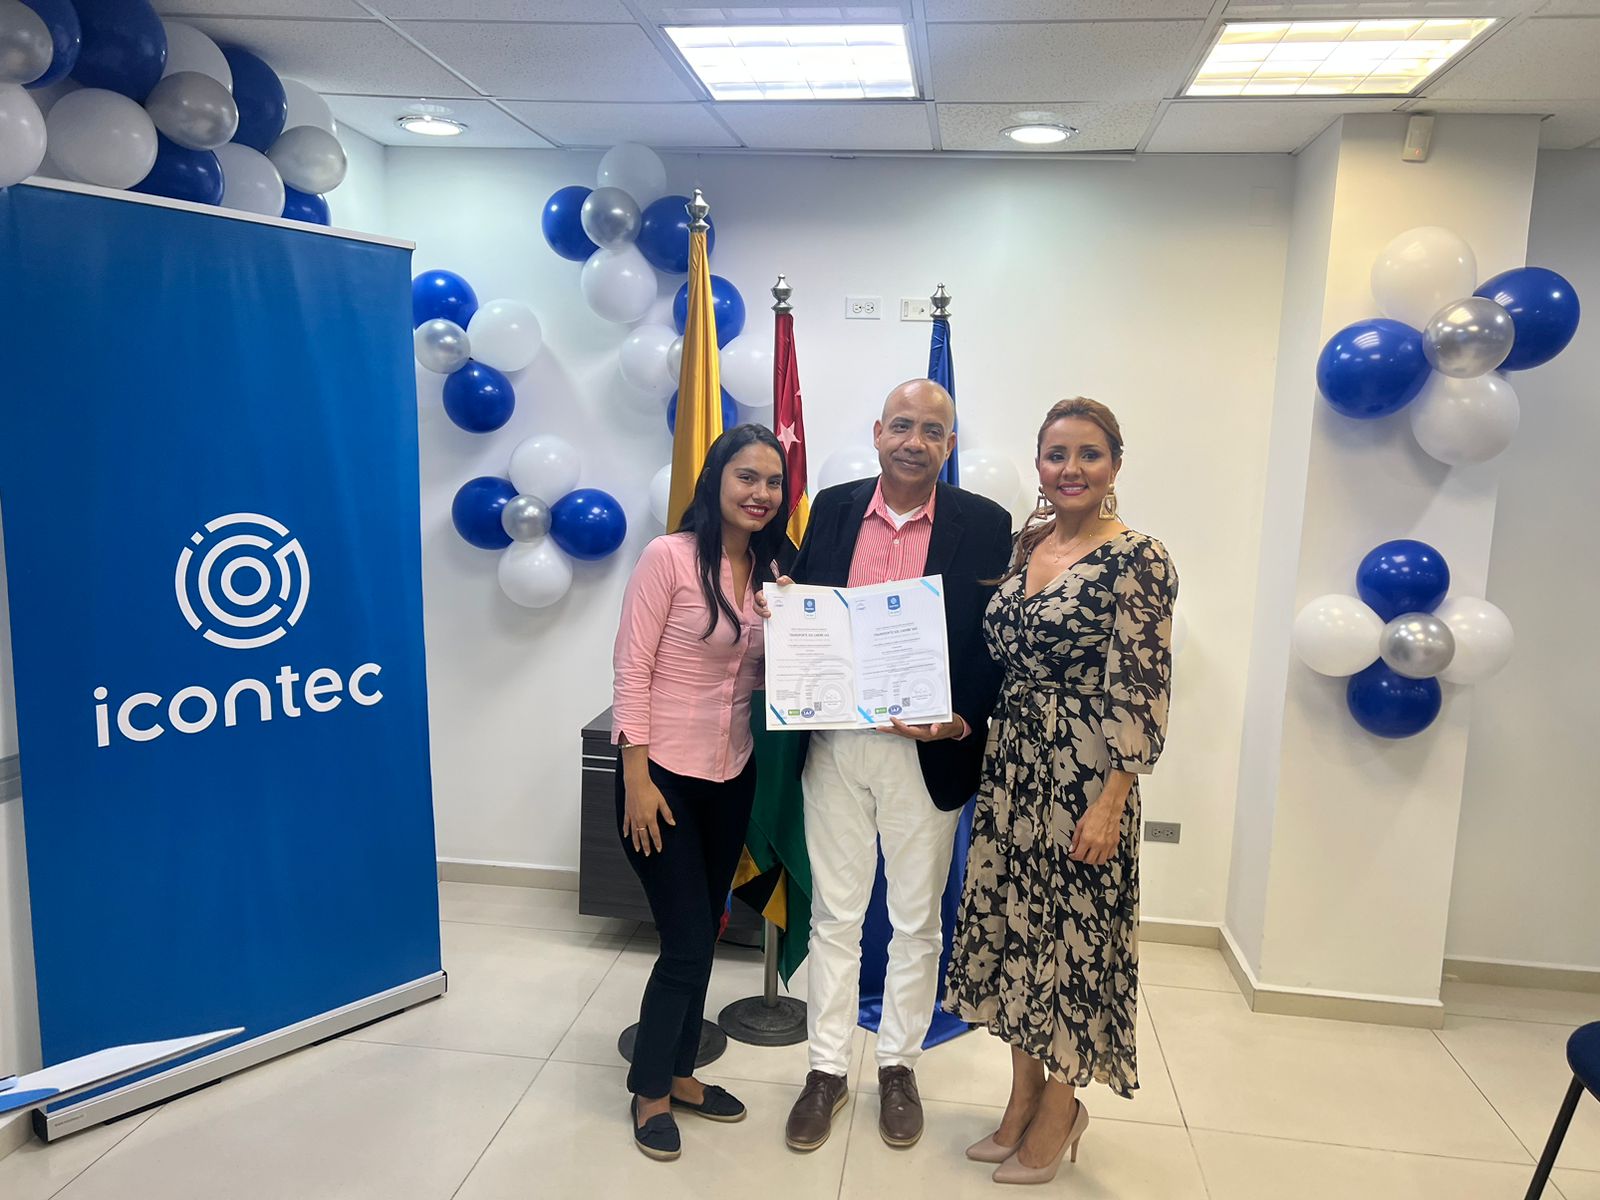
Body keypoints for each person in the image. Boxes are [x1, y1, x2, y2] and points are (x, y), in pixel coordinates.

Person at [761, 378, 1013, 1153]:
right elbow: (809, 604)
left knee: (916, 920)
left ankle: (899, 1065)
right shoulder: (833, 508)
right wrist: (787, 606)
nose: (914, 441)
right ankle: (826, 1070)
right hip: (835, 745)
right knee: (835, 917)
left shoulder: (985, 523)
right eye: (901, 425)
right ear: (878, 433)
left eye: (932, 431)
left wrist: (962, 720)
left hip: (927, 754)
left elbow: (993, 644)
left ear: (949, 443)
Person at [943, 397, 1177, 1185]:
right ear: (1039, 464)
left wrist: (1113, 801)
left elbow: (1143, 687)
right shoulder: (1030, 543)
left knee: (1073, 943)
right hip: (1012, 769)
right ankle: (1020, 1098)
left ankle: (1062, 1106)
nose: (1070, 469)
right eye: (1056, 455)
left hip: (1085, 776)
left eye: (1088, 454)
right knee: (1014, 933)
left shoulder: (1138, 558)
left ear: (1115, 464)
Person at [611, 424, 790, 1162]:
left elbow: (775, 679)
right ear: (715, 480)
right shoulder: (669, 557)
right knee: (684, 941)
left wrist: (799, 627)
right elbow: (631, 668)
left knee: (705, 933)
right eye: (747, 477)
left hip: (732, 776)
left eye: (774, 482)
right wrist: (635, 779)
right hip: (662, 780)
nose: (761, 493)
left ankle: (682, 1072)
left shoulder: (776, 573)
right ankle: (650, 1090)